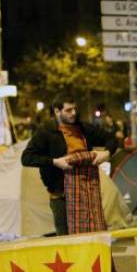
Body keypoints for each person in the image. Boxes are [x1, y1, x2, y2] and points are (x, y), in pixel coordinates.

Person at [21, 95, 117, 236]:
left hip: (88, 193)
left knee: (94, 236)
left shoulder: (83, 129)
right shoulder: (46, 132)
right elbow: (27, 158)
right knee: (67, 241)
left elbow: (111, 138)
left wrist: (107, 153)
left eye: (75, 109)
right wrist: (55, 162)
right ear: (57, 111)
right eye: (68, 110)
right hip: (61, 197)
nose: (74, 113)